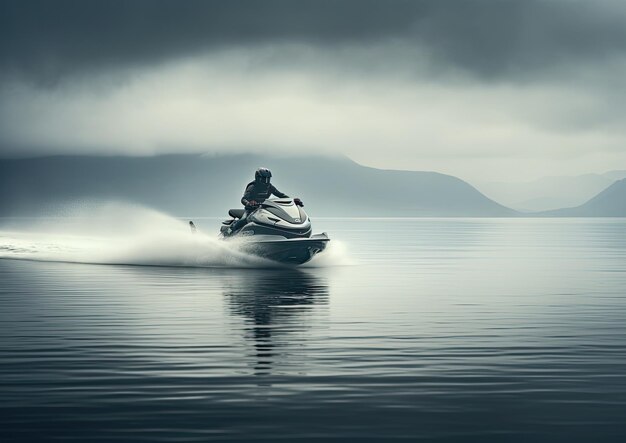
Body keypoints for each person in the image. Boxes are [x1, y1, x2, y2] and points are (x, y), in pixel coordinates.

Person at [228, 168, 301, 234]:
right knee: (243, 220)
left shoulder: (269, 186)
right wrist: (249, 203)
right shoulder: (252, 186)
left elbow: (281, 195)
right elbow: (243, 199)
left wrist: (292, 200)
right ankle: (230, 232)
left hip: (263, 209)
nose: (266, 181)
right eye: (264, 179)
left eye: (268, 178)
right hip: (250, 210)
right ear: (258, 178)